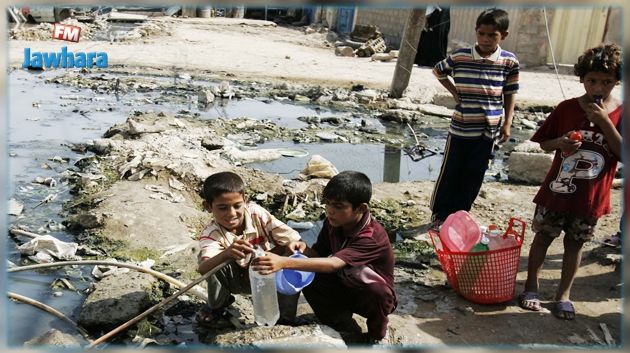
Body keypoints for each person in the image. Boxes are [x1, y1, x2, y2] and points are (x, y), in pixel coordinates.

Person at [519, 43, 623, 320]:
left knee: (575, 244)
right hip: (557, 191)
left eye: (606, 82)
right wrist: (561, 143)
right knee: (543, 237)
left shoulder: (620, 114)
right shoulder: (566, 108)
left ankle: (563, 294)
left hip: (590, 197)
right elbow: (543, 143)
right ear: (581, 79)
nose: (598, 88)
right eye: (591, 81)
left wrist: (605, 123)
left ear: (617, 82)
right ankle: (531, 287)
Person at [252, 171, 397, 345]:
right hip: (345, 282)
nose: (330, 210)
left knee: (377, 292)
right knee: (308, 274)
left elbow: (334, 264)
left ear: (361, 208)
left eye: (338, 206)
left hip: (366, 293)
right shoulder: (333, 223)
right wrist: (303, 248)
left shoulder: (370, 236)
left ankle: (376, 335)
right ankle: (340, 322)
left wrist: (283, 262)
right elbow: (318, 254)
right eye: (327, 203)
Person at [429, 8, 519, 228]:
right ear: (476, 32)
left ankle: (459, 215)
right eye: (482, 34)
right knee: (451, 171)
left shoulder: (508, 62)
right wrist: (453, 91)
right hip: (461, 127)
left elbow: (510, 92)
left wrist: (507, 123)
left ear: (503, 36)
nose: (486, 39)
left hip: (489, 130)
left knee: (474, 174)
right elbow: (438, 71)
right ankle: (440, 214)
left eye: (492, 35)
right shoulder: (461, 56)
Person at [196, 171, 302, 328]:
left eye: (237, 206)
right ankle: (218, 308)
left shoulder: (256, 213)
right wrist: (227, 253)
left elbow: (292, 239)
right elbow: (202, 269)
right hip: (238, 280)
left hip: (264, 273)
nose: (232, 214)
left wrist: (276, 256)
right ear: (208, 207)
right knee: (208, 259)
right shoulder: (211, 233)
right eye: (223, 208)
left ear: (245, 201)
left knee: (290, 259)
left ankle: (285, 319)